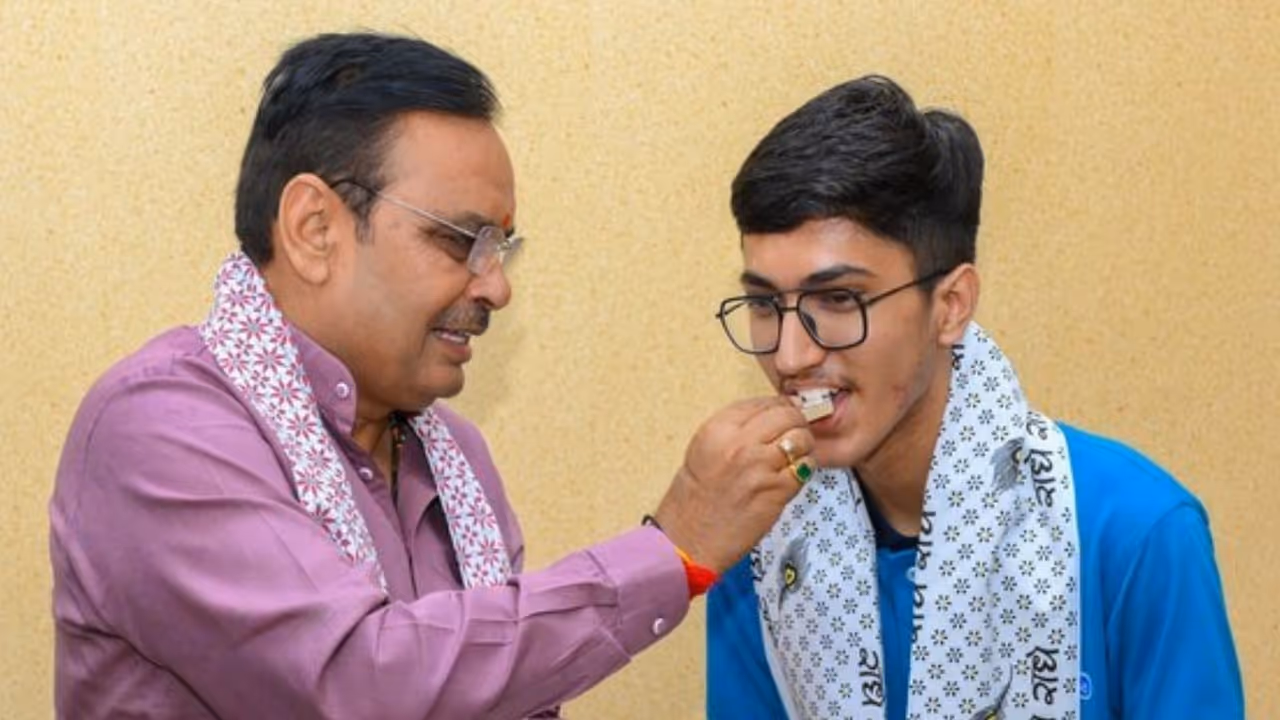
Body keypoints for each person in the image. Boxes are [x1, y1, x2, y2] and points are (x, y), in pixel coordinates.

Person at [49, 32, 817, 719]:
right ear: (314, 229)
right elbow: (357, 684)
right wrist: (670, 551)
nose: (496, 287)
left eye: (501, 249)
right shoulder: (161, 428)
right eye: (461, 241)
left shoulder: (454, 461)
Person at [705, 76, 1244, 719]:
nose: (791, 356)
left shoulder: (1135, 532)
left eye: (840, 299)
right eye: (766, 304)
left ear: (951, 305)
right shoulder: (762, 546)